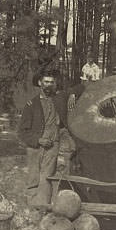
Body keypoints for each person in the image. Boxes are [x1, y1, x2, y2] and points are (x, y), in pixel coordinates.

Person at [18, 69, 68, 209]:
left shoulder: (59, 100)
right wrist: (39, 140)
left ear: (55, 84)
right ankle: (33, 216)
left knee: (46, 179)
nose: (49, 85)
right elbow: (22, 132)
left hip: (53, 145)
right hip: (35, 147)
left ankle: (43, 214)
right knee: (33, 179)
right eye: (46, 82)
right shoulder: (31, 105)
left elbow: (79, 89)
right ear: (40, 83)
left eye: (52, 82)